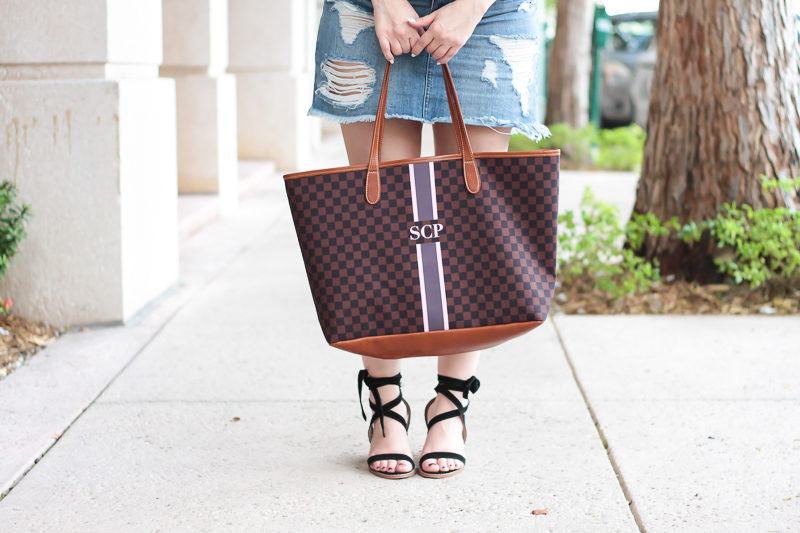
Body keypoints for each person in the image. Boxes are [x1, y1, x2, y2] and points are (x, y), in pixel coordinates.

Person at [308, 0, 549, 479]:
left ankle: (451, 405)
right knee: (376, 225)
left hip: (490, 15)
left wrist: (472, 6)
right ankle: (385, 404)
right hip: (368, 10)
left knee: (471, 223)